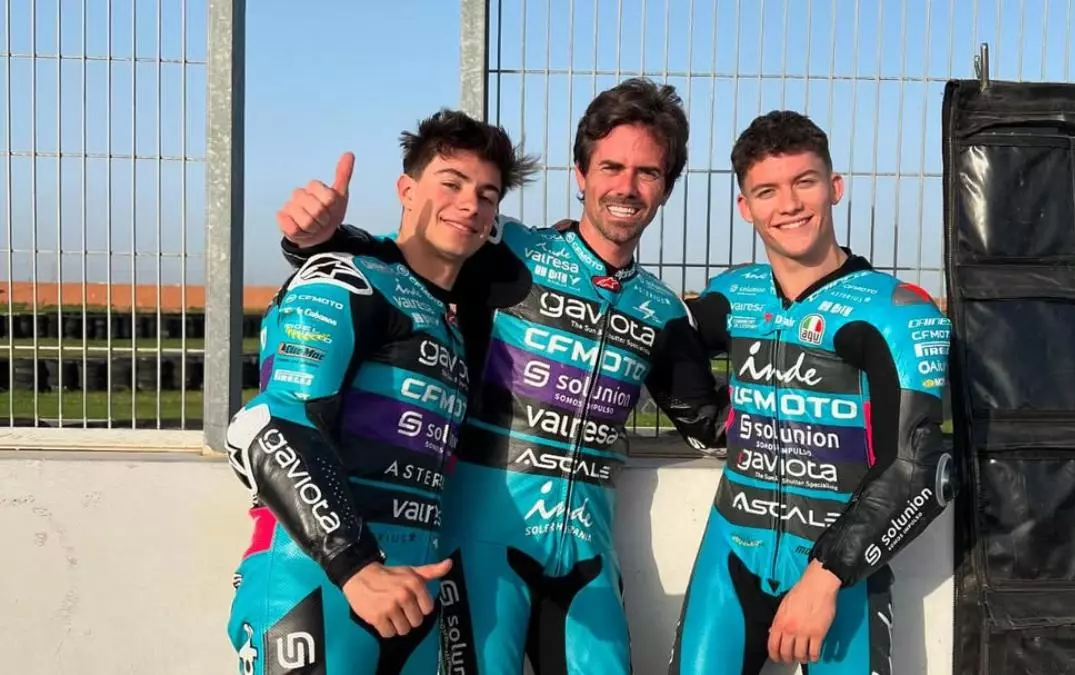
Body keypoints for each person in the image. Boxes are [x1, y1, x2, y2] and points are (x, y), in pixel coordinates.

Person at [273, 78, 730, 675]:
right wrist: (316, 239)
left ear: (666, 187)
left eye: (648, 173)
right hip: (476, 547)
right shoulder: (508, 247)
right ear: (580, 173)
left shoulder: (662, 310)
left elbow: (709, 425)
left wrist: (783, 345)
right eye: (611, 167)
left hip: (588, 555)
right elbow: (405, 261)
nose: (626, 186)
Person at [222, 109, 538, 675]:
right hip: (317, 584)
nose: (470, 204)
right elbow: (266, 427)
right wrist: (357, 566)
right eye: (451, 183)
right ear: (406, 191)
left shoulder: (450, 316)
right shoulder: (346, 278)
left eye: (487, 195)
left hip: (412, 595)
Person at [668, 110, 956, 675]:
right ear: (745, 207)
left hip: (837, 573)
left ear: (835, 187)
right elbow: (657, 337)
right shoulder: (733, 295)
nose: (790, 204)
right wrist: (710, 425)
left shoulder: (895, 310)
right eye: (767, 191)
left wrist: (824, 580)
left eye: (805, 182)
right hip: (730, 555)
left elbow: (919, 469)